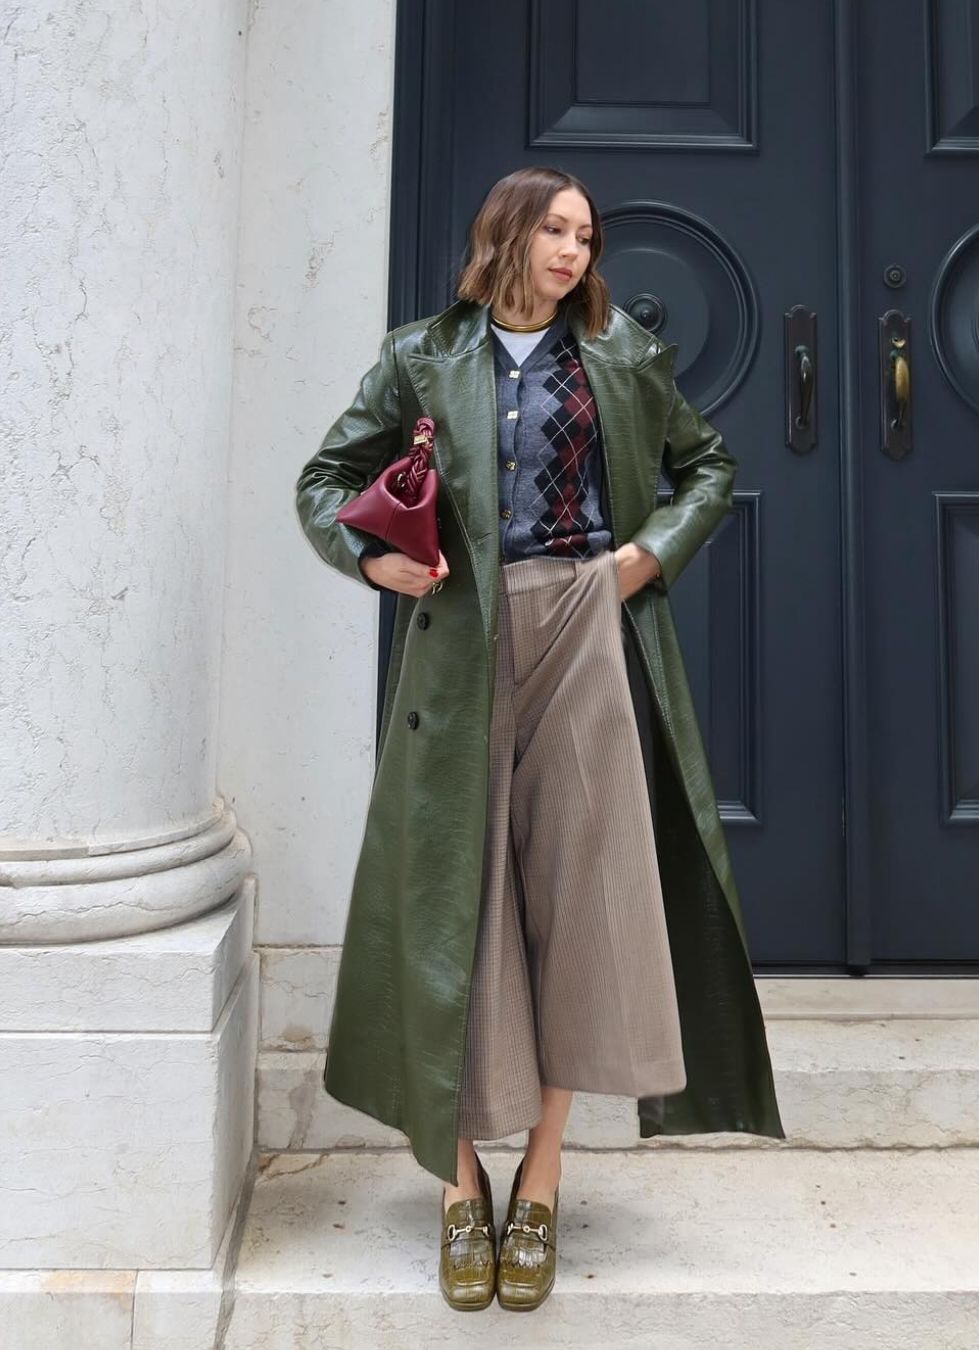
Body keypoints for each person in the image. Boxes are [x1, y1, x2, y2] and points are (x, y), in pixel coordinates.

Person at [294, 166, 784, 1315]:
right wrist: (371, 558)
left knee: (578, 895)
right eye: (555, 230)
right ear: (506, 234)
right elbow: (327, 479)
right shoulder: (421, 356)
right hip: (460, 641)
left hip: (583, 624)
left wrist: (645, 556)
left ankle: (544, 1176)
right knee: (458, 905)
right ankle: (460, 1182)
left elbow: (709, 465)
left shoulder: (620, 355)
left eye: (586, 235)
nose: (574, 251)